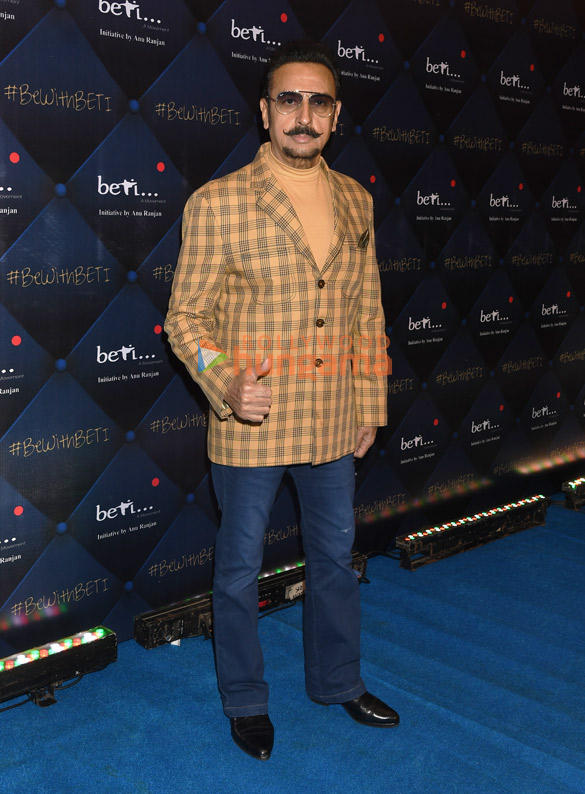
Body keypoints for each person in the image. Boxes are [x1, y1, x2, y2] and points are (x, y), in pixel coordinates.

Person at [165, 39, 398, 761]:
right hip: (252, 421)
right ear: (265, 112)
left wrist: (370, 401)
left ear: (335, 114)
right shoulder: (219, 201)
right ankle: (245, 701)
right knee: (238, 572)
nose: (304, 114)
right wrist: (225, 380)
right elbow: (185, 320)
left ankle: (338, 681)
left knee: (334, 560)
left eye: (318, 102)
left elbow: (367, 312)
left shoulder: (356, 199)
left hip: (333, 419)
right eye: (289, 100)